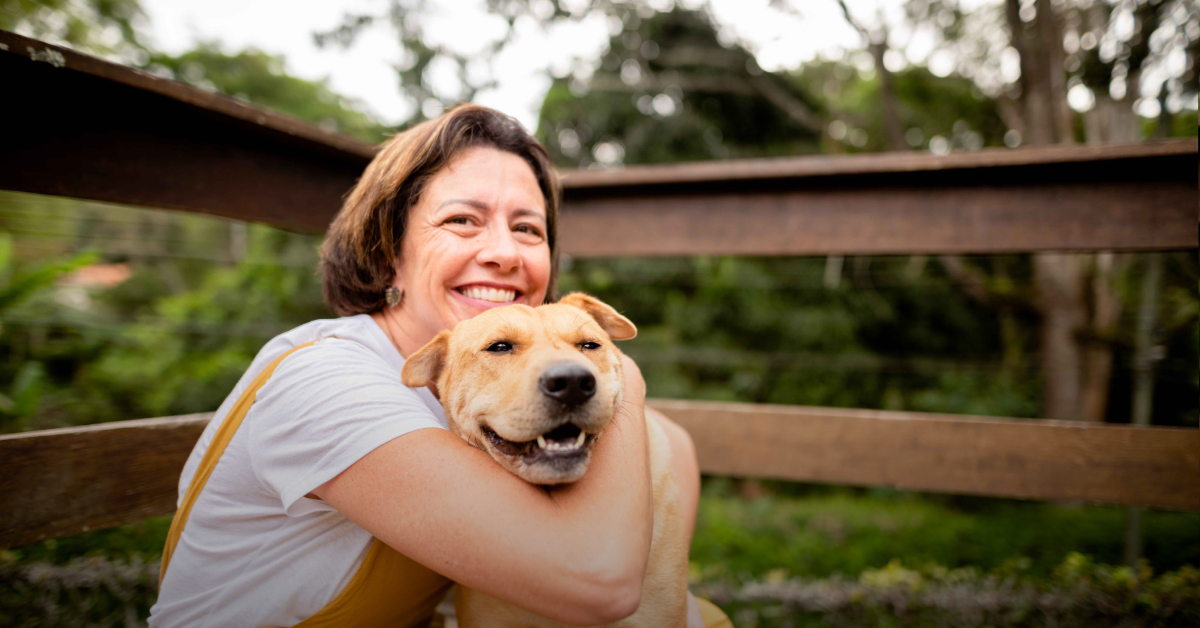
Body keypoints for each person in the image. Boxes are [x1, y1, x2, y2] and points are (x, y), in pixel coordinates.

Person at [149, 104, 731, 627]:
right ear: (388, 251)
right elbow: (599, 582)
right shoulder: (325, 383)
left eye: (527, 229)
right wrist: (619, 373)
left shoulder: (485, 390)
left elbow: (672, 444)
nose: (504, 252)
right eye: (462, 221)